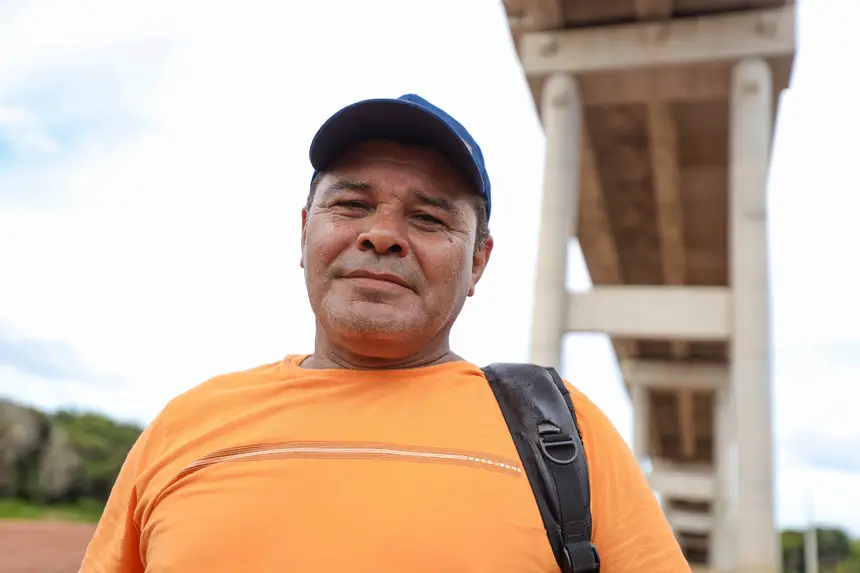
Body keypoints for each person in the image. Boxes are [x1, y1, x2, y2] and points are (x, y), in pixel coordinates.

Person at [79, 94, 690, 572]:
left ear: (478, 262)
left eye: (427, 218)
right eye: (351, 205)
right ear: (304, 233)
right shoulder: (183, 427)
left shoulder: (561, 434)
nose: (382, 235)